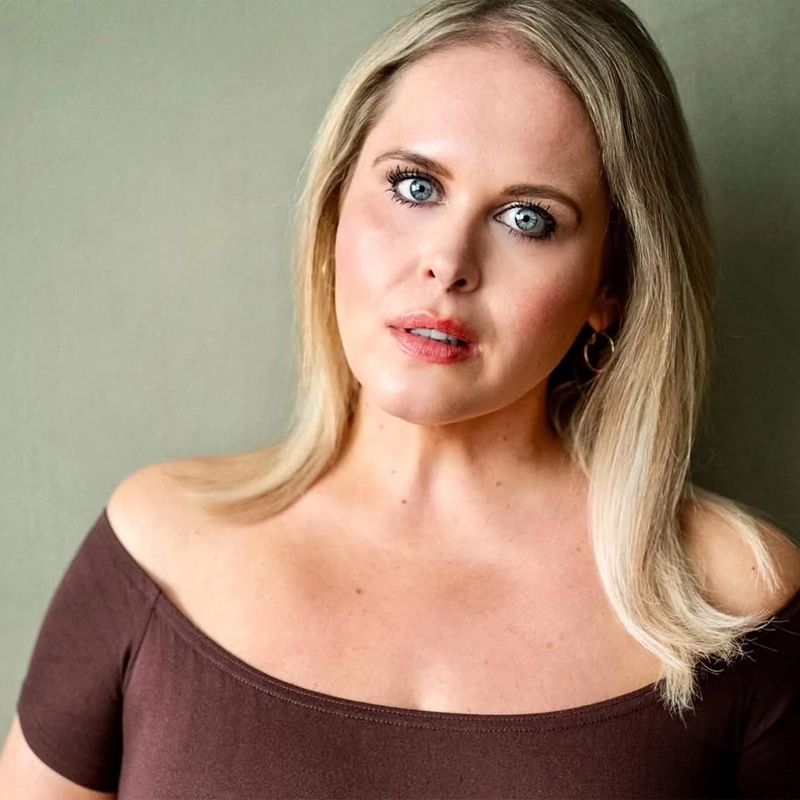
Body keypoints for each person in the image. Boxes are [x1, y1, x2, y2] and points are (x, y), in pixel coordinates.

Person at [2, 0, 799, 797]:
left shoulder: (733, 604)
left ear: (611, 284)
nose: (447, 262)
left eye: (529, 218)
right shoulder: (156, 550)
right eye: (415, 186)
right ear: (335, 212)